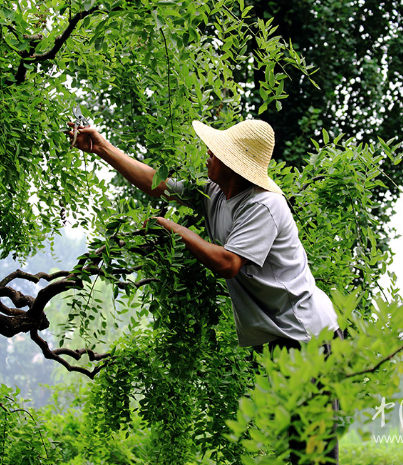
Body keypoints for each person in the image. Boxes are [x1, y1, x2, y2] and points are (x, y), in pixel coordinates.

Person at [67, 118, 341, 464]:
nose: (209, 154)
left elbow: (228, 263)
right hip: (282, 335)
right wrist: (102, 147)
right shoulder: (217, 192)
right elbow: (159, 186)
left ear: (234, 166)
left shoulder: (263, 205)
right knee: (296, 444)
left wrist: (177, 231)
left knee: (312, 449)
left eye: (218, 152)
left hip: (307, 336)